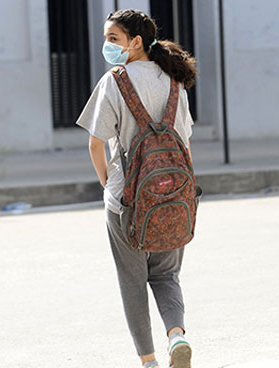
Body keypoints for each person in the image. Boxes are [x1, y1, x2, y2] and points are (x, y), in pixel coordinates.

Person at [76, 9, 197, 368]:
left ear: (136, 42)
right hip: (173, 196)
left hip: (126, 200)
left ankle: (149, 362)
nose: (106, 46)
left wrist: (106, 181)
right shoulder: (174, 81)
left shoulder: (115, 80)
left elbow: (96, 143)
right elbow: (185, 145)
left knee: (133, 282)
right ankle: (177, 334)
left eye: (112, 39)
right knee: (167, 275)